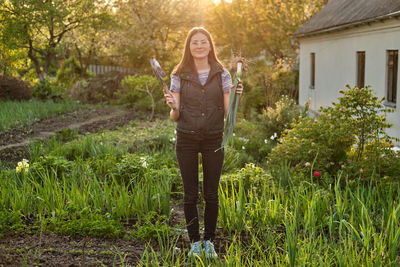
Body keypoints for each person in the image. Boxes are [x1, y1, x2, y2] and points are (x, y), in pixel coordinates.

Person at [163, 26, 243, 258]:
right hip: (186, 138)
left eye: (203, 42)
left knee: (211, 194)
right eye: (194, 42)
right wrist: (173, 107)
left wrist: (237, 97)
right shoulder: (179, 74)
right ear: (189, 47)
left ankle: (209, 243)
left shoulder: (223, 74)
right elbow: (175, 116)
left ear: (210, 46)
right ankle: (195, 243)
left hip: (213, 138)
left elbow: (228, 114)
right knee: (190, 194)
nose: (199, 45)